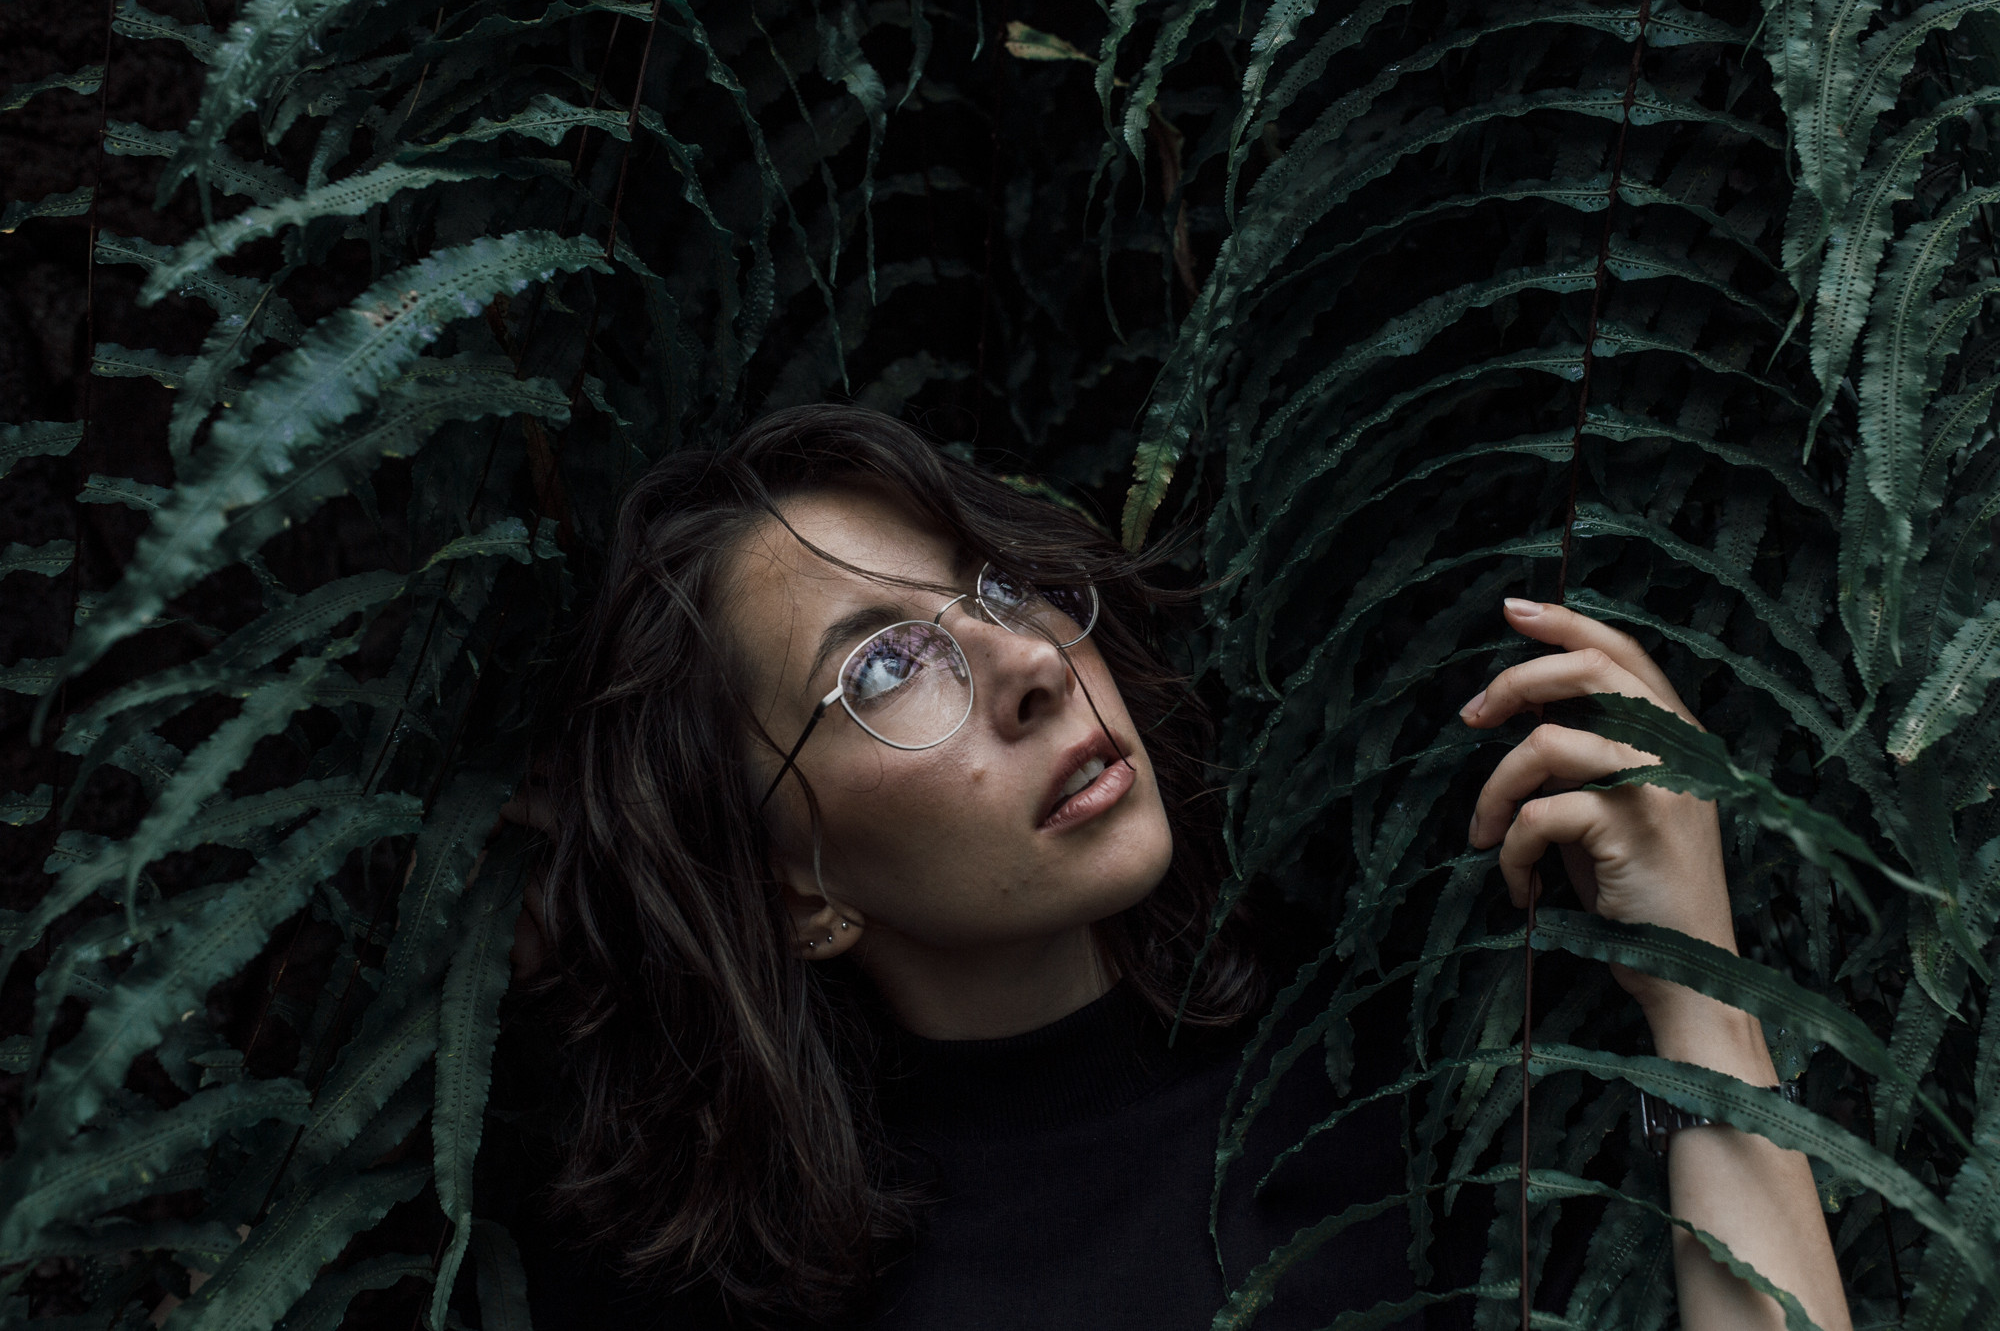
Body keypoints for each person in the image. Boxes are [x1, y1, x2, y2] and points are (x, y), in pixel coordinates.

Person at [506, 405, 1851, 1331]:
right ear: (798, 888)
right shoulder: (728, 1292)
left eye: (998, 582)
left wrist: (1702, 997)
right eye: (885, 665)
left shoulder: (1402, 1052)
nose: (1031, 662)